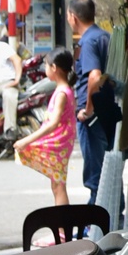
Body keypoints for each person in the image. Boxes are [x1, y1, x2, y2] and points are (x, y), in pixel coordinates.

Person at [68, 0, 119, 204]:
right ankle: (114, 213)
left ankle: (97, 217)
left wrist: (88, 109)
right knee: (109, 172)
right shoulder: (105, 36)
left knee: (96, 176)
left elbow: (95, 76)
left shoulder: (88, 41)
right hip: (109, 111)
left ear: (73, 17)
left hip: (94, 117)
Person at [14, 49, 76, 206]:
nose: (45, 69)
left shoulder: (62, 93)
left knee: (59, 186)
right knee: (57, 185)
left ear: (54, 68)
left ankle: (62, 221)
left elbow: (53, 123)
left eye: (47, 66)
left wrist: (27, 140)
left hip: (59, 142)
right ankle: (62, 220)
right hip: (62, 140)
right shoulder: (64, 90)